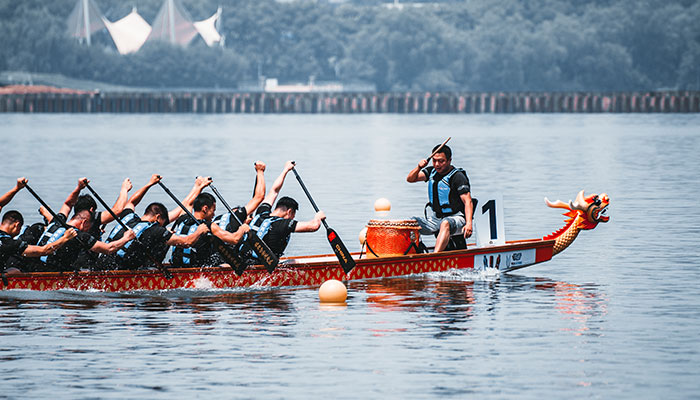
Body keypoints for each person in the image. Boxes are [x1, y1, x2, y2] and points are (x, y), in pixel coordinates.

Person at [246, 161, 325, 259]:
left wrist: (286, 170)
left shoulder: (262, 213)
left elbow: (274, 191)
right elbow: (313, 226)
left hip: (245, 261)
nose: (293, 218)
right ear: (289, 212)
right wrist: (318, 217)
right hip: (261, 268)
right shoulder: (282, 225)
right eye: (293, 215)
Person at [0, 178, 77, 273]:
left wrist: (17, 188)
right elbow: (45, 251)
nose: (18, 233)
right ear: (17, 225)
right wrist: (65, 238)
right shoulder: (10, 243)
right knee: (15, 271)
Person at [406, 144, 473, 252]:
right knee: (410, 223)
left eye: (441, 161)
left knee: (445, 223)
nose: (437, 164)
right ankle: (414, 253)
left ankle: (434, 258)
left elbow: (468, 201)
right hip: (436, 219)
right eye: (434, 161)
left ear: (449, 160)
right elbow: (410, 179)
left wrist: (469, 223)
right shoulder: (431, 172)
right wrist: (419, 167)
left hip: (456, 219)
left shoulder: (458, 176)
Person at [30, 207, 135, 273]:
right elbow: (109, 249)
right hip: (52, 274)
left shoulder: (55, 222)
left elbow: (67, 205)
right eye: (88, 227)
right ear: (84, 222)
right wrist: (126, 238)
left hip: (34, 268)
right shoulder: (79, 235)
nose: (88, 230)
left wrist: (79, 187)